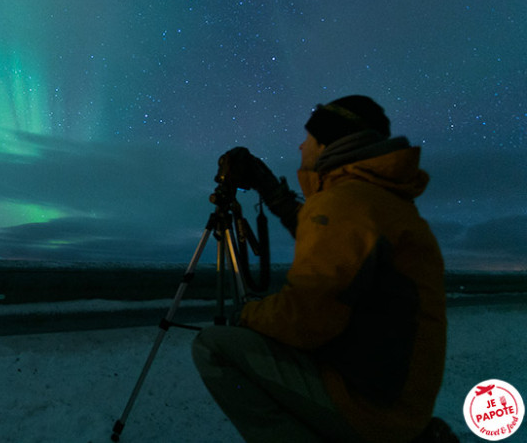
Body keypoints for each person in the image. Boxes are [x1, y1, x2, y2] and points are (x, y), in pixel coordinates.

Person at [192, 95, 455, 442]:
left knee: (212, 346)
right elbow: (330, 243)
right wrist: (270, 189)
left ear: (330, 140)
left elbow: (305, 317)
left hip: (372, 408)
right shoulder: (376, 200)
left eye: (309, 137)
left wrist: (245, 315)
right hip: (399, 398)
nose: (301, 145)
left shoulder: (346, 202)